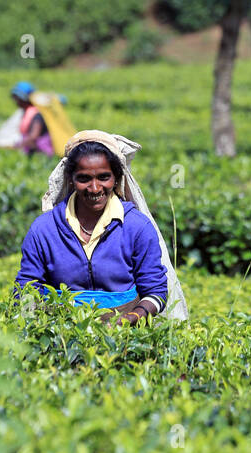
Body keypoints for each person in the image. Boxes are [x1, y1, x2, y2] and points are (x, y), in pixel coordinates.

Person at [15, 130, 187, 323]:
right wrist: (29, 328)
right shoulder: (44, 229)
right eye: (84, 178)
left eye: (104, 177)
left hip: (126, 334)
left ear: (116, 178)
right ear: (71, 178)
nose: (95, 188)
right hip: (62, 333)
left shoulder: (136, 227)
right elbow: (27, 285)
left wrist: (131, 317)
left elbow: (155, 290)